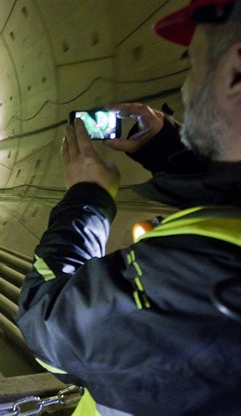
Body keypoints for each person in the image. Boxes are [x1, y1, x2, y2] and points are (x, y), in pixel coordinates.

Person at [17, 0, 241, 415]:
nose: (187, 89)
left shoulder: (207, 274)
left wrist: (88, 200)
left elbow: (46, 321)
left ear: (236, 72)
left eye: (192, 66)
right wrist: (166, 148)